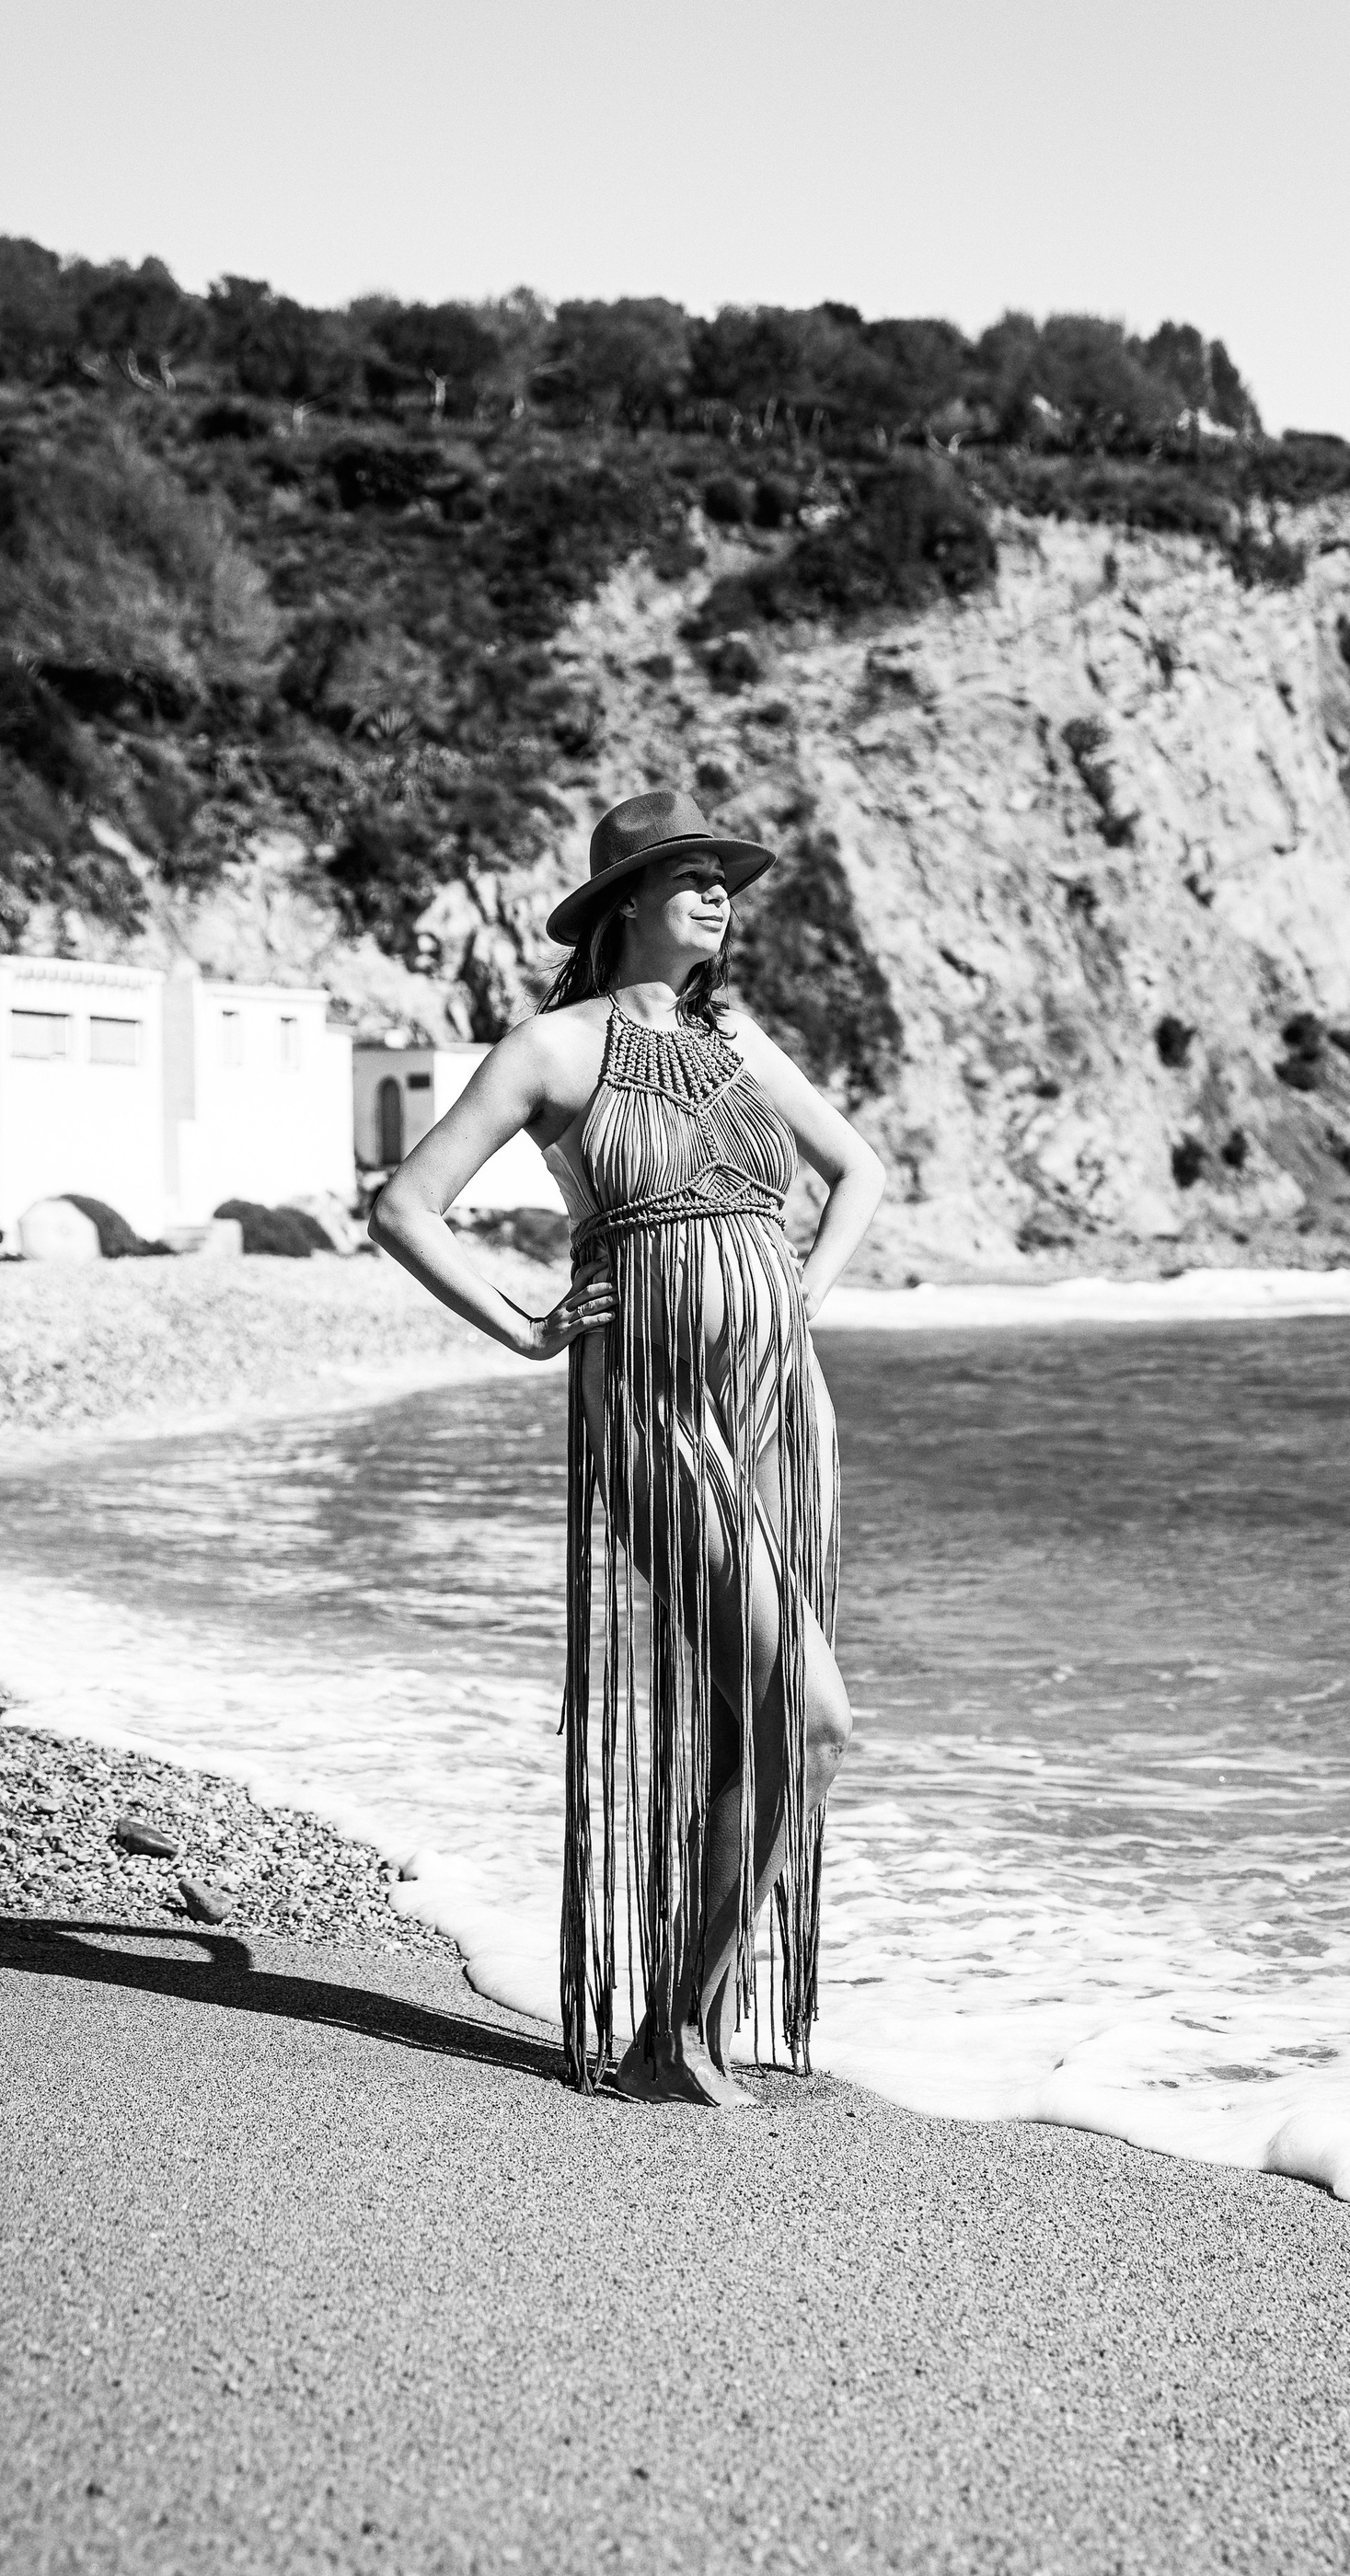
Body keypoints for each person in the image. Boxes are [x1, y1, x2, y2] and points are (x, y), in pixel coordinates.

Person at [370, 790, 884, 2105]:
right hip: (653, 1407)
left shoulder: (737, 1039)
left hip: (777, 1405)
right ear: (625, 904)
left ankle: (680, 2024)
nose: (718, 897)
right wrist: (527, 1328)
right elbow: (407, 1206)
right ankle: (673, 2026)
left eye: (724, 881)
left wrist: (801, 1296)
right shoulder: (552, 1048)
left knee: (759, 1719)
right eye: (692, 876)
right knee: (811, 1714)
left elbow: (860, 1172)